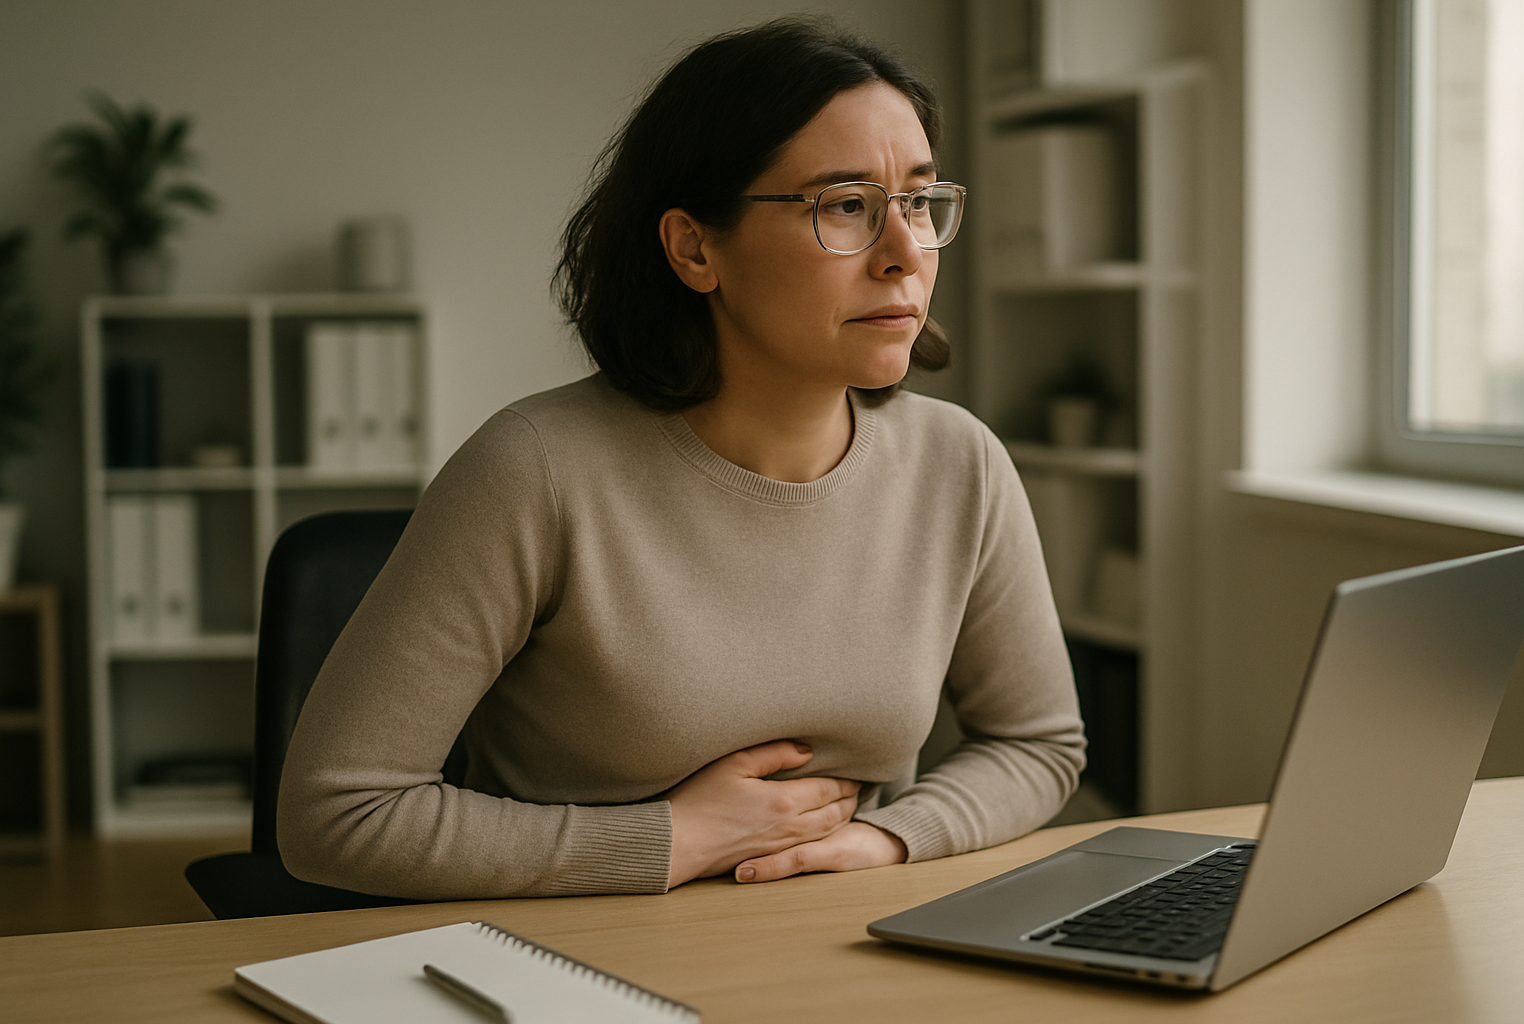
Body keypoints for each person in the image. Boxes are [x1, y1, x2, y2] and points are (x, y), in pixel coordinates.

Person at [277, 19, 1085, 900]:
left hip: (849, 951)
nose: (905, 255)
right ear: (695, 247)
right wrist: (674, 839)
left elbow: (1038, 744)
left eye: (920, 203)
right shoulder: (534, 471)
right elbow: (337, 815)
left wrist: (893, 838)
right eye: (845, 206)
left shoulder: (960, 465)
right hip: (573, 959)